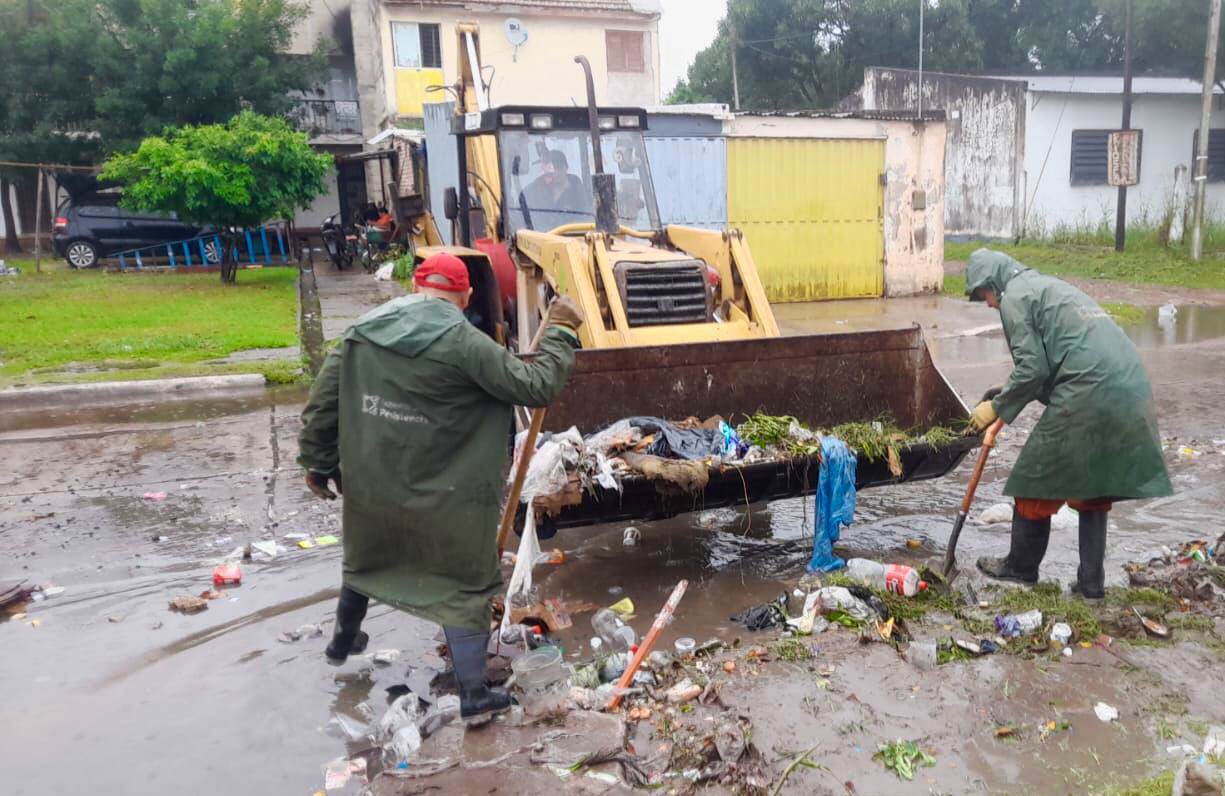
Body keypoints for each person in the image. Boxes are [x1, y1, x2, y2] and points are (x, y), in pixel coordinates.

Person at [298, 252, 584, 720]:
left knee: (367, 560)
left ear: (416, 285)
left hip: (374, 490)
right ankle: (474, 696)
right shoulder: (463, 342)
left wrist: (317, 463)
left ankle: (341, 646)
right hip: (447, 496)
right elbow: (535, 386)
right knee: (463, 585)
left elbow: (322, 407)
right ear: (466, 295)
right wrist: (560, 331)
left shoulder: (361, 331)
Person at [964, 249, 1172, 599]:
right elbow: (1059, 358)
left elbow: (1034, 370)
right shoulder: (1043, 286)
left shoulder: (1015, 297)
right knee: (1093, 486)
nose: (986, 304)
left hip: (1088, 389)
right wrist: (1007, 391)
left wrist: (996, 407)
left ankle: (1021, 567)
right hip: (1128, 384)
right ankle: (1091, 584)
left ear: (994, 284)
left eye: (983, 295)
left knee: (1034, 477)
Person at [523, 149, 589, 216]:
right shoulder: (533, 190)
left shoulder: (577, 188)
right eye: (549, 172)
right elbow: (519, 215)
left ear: (565, 167)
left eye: (557, 167)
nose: (554, 173)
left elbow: (586, 214)